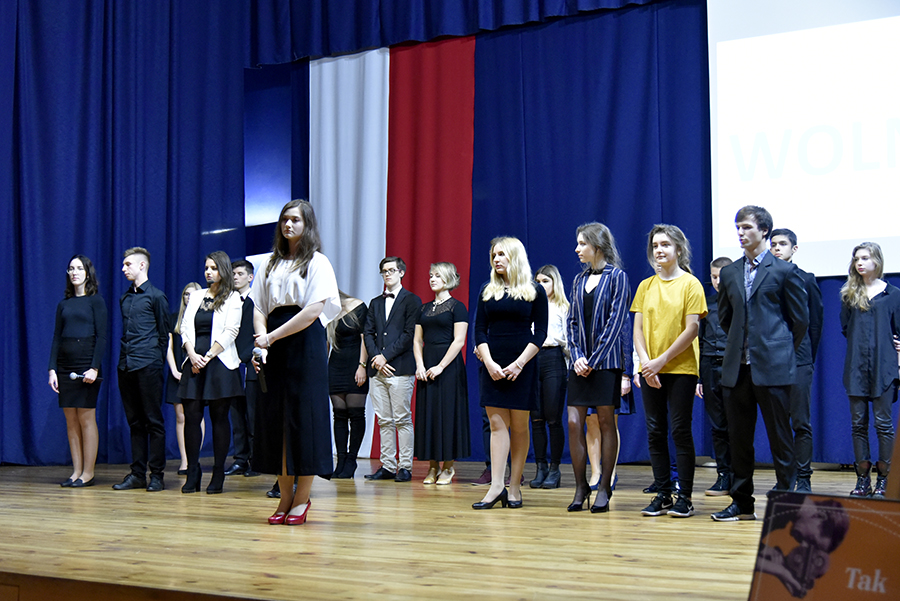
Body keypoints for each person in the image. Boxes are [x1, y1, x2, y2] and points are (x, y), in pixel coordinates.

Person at [712, 206, 808, 522]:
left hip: (774, 367)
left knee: (781, 439)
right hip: (737, 369)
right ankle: (742, 503)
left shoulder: (783, 271)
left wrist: (777, 349)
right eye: (737, 227)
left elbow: (800, 321)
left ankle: (787, 501)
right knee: (739, 440)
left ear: (764, 230)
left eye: (747, 227)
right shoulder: (729, 272)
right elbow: (726, 318)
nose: (740, 233)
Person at [251, 199, 340, 525]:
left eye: (295, 220)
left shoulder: (318, 262)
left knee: (305, 419)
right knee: (277, 420)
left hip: (305, 343)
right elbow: (258, 307)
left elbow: (313, 311)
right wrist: (262, 343)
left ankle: (302, 499)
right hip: (273, 345)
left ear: (307, 225)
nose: (288, 225)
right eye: (284, 219)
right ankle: (284, 498)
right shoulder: (269, 263)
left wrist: (271, 337)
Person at [631, 224, 707, 518]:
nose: (659, 250)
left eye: (665, 245)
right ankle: (663, 493)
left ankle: (684, 497)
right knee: (655, 431)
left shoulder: (691, 284)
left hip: (681, 369)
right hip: (650, 369)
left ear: (678, 249)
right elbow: (637, 330)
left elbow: (692, 329)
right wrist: (645, 363)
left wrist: (660, 361)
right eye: (655, 245)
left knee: (679, 430)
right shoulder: (645, 286)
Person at [472, 236, 548, 509]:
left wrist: (519, 364)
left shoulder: (534, 290)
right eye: (494, 255)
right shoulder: (487, 289)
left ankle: (514, 486)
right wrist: (489, 363)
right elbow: (479, 330)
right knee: (496, 425)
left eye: (502, 254)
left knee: (519, 426)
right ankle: (496, 487)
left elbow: (540, 333)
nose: (496, 259)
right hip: (493, 363)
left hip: (522, 365)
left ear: (515, 256)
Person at [566, 223, 631, 513]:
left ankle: (604, 486)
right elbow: (571, 322)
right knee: (573, 422)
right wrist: (577, 356)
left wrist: (593, 360)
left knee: (606, 423)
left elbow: (615, 323)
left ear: (598, 246)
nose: (577, 249)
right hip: (580, 365)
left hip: (605, 364)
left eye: (582, 244)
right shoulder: (578, 280)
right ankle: (581, 486)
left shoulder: (617, 277)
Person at [178, 251, 243, 494]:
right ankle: (192, 472)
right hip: (194, 361)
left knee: (219, 419)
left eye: (213, 268)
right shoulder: (196, 296)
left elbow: (231, 331)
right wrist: (192, 354)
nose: (208, 272)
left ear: (223, 270)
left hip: (219, 362)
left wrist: (208, 356)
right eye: (206, 268)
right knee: (191, 417)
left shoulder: (233, 297)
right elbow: (185, 327)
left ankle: (218, 473)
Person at [839, 242, 899, 498]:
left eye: (864, 258)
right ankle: (862, 479)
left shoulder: (893, 294)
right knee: (858, 425)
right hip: (856, 367)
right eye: (856, 259)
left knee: (883, 425)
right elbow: (846, 328)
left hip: (884, 368)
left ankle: (884, 480)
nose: (859, 263)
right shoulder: (849, 294)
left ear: (877, 260)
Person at [770, 229, 823, 493]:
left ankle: (804, 478)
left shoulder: (806, 279)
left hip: (799, 359)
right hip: (771, 361)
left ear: (794, 249)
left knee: (800, 421)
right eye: (773, 244)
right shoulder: (763, 279)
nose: (777, 248)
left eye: (783, 244)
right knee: (778, 424)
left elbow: (815, 323)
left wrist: (807, 358)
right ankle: (785, 479)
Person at [48, 255, 107, 488]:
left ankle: (88, 473)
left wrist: (94, 367)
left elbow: (102, 337)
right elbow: (56, 337)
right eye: (71, 269)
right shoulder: (63, 304)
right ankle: (76, 471)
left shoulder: (96, 301)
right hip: (65, 366)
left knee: (86, 418)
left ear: (87, 273)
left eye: (79, 268)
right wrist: (52, 369)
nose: (74, 272)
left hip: (86, 365)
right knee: (70, 420)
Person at [115, 247, 169, 492]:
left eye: (128, 264)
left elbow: (163, 334)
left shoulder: (156, 296)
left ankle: (156, 475)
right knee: (135, 422)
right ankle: (137, 474)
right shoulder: (125, 298)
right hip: (126, 365)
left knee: (153, 421)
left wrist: (155, 359)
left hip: (148, 364)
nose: (123, 268)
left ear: (142, 265)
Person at [363, 257, 422, 483]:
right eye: (384, 271)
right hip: (377, 370)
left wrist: (385, 356)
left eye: (391, 270)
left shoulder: (412, 300)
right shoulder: (375, 302)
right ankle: (387, 465)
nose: (387, 274)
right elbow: (368, 333)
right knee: (384, 420)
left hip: (400, 368)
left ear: (401, 273)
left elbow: (409, 335)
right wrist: (376, 359)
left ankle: (404, 466)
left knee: (402, 418)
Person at [413, 262, 470, 485]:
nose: (432, 279)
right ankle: (432, 466)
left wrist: (441, 366)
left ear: (447, 278)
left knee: (448, 414)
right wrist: (420, 365)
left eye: (437, 275)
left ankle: (448, 466)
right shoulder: (423, 309)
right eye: (431, 275)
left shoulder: (457, 307)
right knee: (429, 414)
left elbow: (459, 341)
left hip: (448, 367)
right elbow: (417, 340)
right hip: (427, 364)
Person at [528, 265, 569, 490]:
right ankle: (540, 466)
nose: (541, 286)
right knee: (536, 418)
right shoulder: (530, 306)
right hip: (533, 359)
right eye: (538, 282)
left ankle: (555, 468)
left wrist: (570, 366)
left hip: (554, 358)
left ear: (555, 283)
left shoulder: (563, 307)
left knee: (553, 417)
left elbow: (569, 341)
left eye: (546, 281)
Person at [696, 257, 733, 496]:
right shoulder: (706, 305)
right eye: (714, 276)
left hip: (733, 366)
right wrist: (699, 377)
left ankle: (739, 475)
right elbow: (699, 341)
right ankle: (723, 474)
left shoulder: (741, 303)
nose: (718, 281)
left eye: (722, 276)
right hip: (709, 365)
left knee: (736, 423)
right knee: (717, 424)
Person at [327, 291, 369, 479]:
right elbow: (326, 343)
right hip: (335, 365)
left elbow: (365, 338)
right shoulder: (327, 311)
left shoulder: (357, 305)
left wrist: (362, 366)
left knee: (356, 414)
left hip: (355, 363)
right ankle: (341, 460)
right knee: (339, 415)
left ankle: (351, 460)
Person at [225, 259, 260, 479]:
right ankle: (240, 459)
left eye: (239, 273)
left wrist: (246, 356)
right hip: (231, 363)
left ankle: (256, 459)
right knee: (236, 414)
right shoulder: (228, 302)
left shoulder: (256, 301)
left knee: (253, 414)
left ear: (250, 277)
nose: (235, 277)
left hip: (250, 362)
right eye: (233, 274)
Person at [166, 282, 203, 475]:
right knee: (180, 416)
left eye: (193, 294)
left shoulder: (203, 318)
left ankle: (195, 458)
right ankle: (185, 460)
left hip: (197, 370)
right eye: (186, 294)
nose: (189, 297)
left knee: (195, 415)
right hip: (177, 372)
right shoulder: (175, 318)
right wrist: (174, 370)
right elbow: (169, 346)